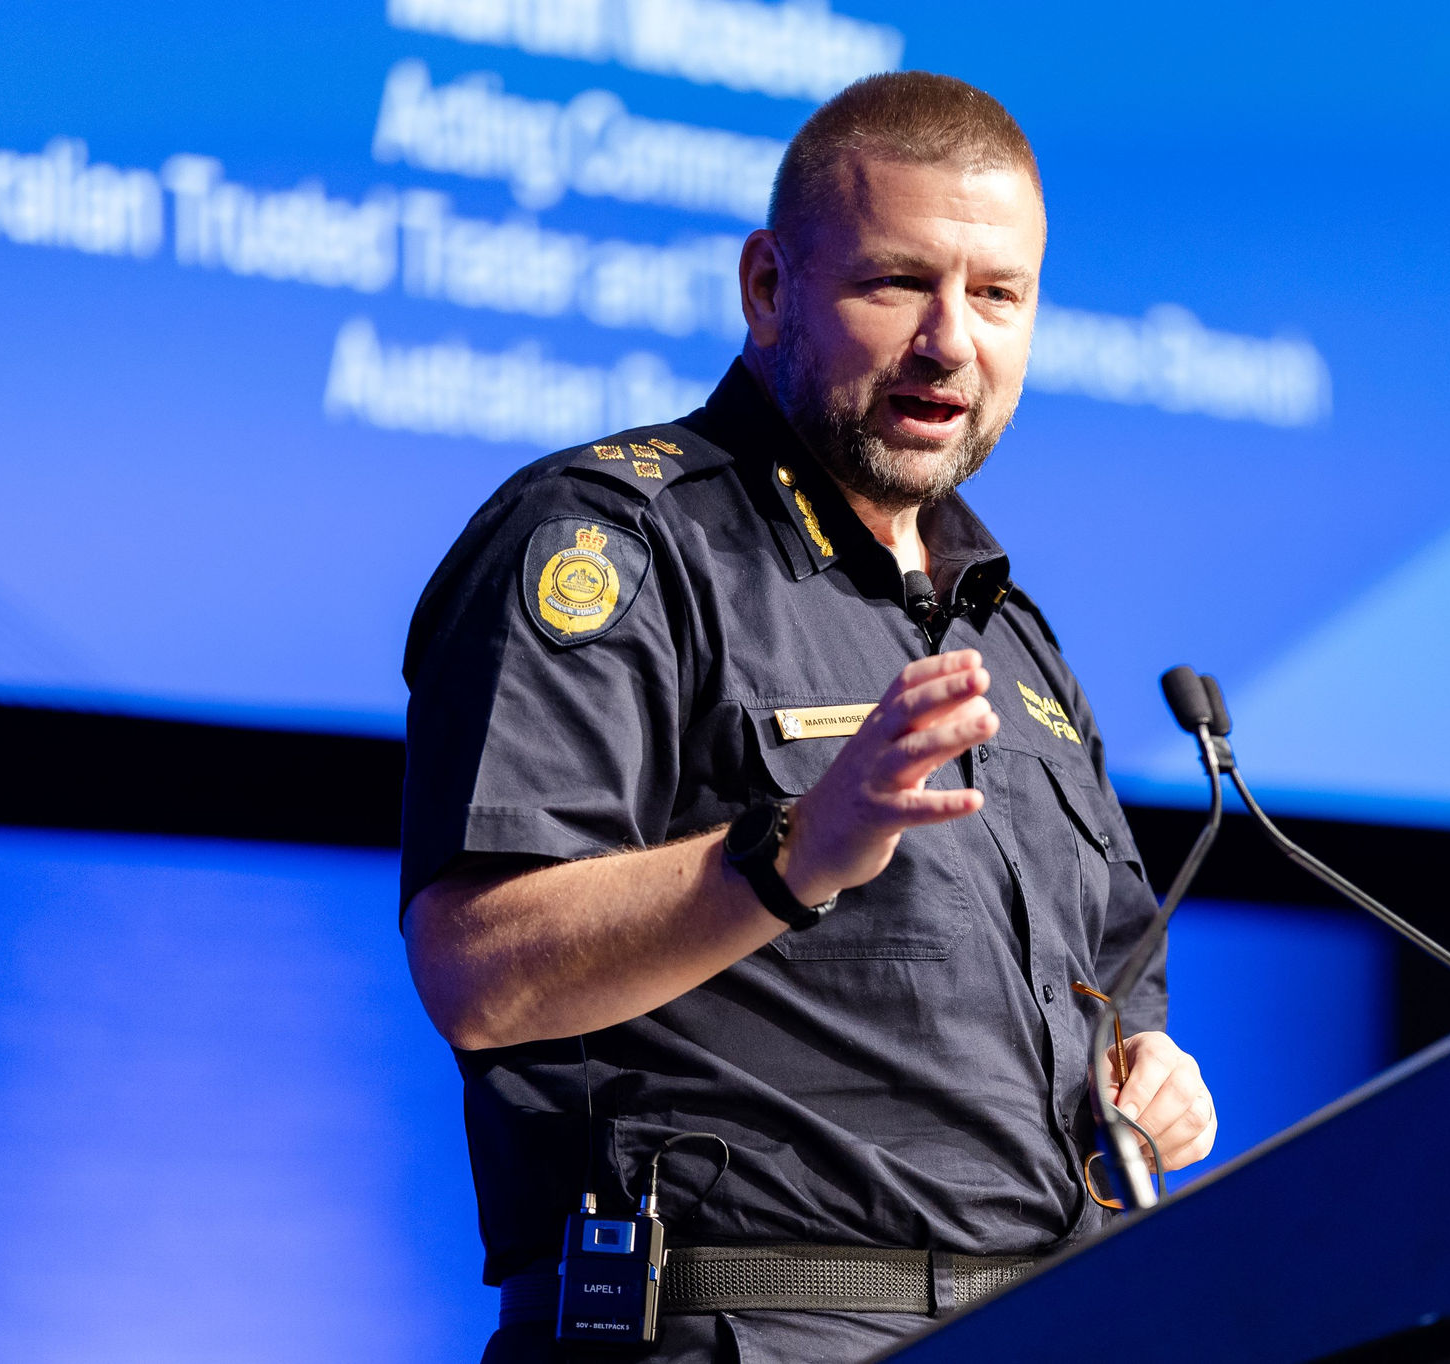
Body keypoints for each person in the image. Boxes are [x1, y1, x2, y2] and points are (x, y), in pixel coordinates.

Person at [400, 71, 1218, 1364]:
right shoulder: (617, 543)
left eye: (998, 295)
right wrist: (787, 858)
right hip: (743, 1329)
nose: (953, 340)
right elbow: (481, 972)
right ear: (768, 287)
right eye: (896, 284)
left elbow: (1117, 1000)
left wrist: (1149, 1081)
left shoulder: (1015, 636)